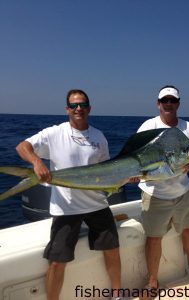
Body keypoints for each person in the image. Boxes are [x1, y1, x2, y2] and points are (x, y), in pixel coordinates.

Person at [16, 89, 123, 300]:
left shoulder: (99, 136)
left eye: (82, 105)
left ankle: (118, 295)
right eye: (74, 105)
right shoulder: (54, 133)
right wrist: (37, 162)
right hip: (66, 208)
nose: (78, 109)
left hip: (97, 204)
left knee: (112, 249)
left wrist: (127, 177)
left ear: (89, 109)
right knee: (57, 261)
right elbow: (23, 146)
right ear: (67, 109)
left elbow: (107, 171)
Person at [137, 85, 189, 299]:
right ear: (158, 103)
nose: (168, 104)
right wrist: (135, 174)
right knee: (153, 238)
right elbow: (136, 159)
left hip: (183, 192)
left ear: (178, 103)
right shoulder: (147, 126)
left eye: (172, 100)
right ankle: (152, 281)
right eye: (165, 101)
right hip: (154, 193)